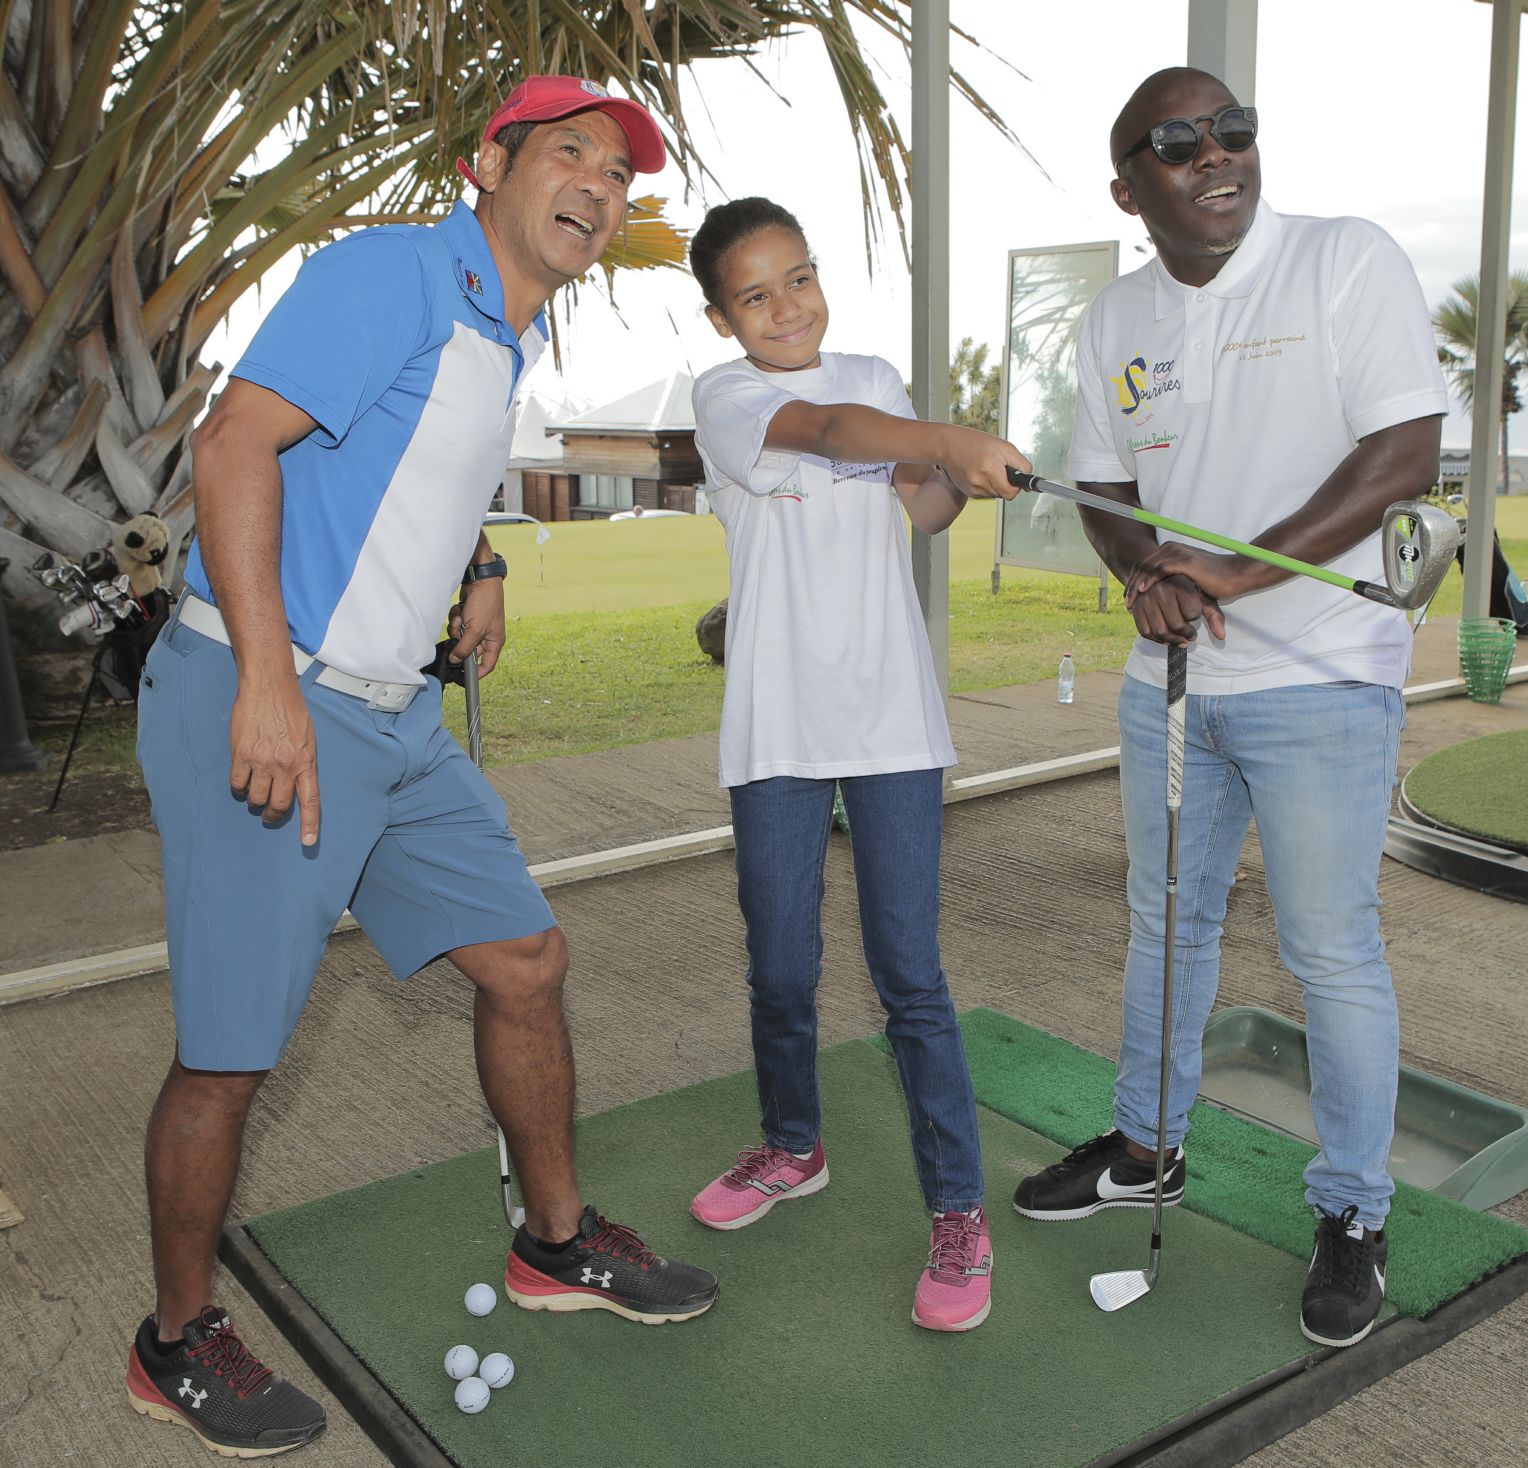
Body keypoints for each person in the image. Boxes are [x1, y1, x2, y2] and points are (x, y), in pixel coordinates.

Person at [127, 77, 719, 1459]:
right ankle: (172, 1341)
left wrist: (483, 559)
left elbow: (410, 464)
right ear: (486, 169)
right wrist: (268, 684)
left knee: (525, 959)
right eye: (567, 154)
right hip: (262, 693)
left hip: (393, 721)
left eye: (618, 172)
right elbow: (235, 444)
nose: (597, 185)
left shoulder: (503, 327)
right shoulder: (391, 272)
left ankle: (554, 1243)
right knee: (228, 1055)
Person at [1011, 67, 1446, 1350]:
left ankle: (1353, 1211)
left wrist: (1233, 571)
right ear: (1126, 185)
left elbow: (1402, 455)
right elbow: (1099, 486)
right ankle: (1148, 1147)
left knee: (1329, 953)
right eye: (1178, 141)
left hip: (1322, 668)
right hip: (1175, 685)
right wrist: (1142, 571)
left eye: (1233, 132)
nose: (1217, 154)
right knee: (1166, 928)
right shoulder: (1115, 318)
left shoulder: (1341, 263)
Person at [685, 197, 1031, 1332]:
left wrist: (958, 475)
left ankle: (956, 1209)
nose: (787, 306)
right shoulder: (729, 398)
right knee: (780, 967)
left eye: (800, 276)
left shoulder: (876, 373)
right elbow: (831, 435)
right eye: (756, 292)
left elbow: (916, 509)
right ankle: (793, 1144)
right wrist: (939, 439)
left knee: (910, 977)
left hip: (890, 723)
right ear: (720, 312)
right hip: (776, 729)